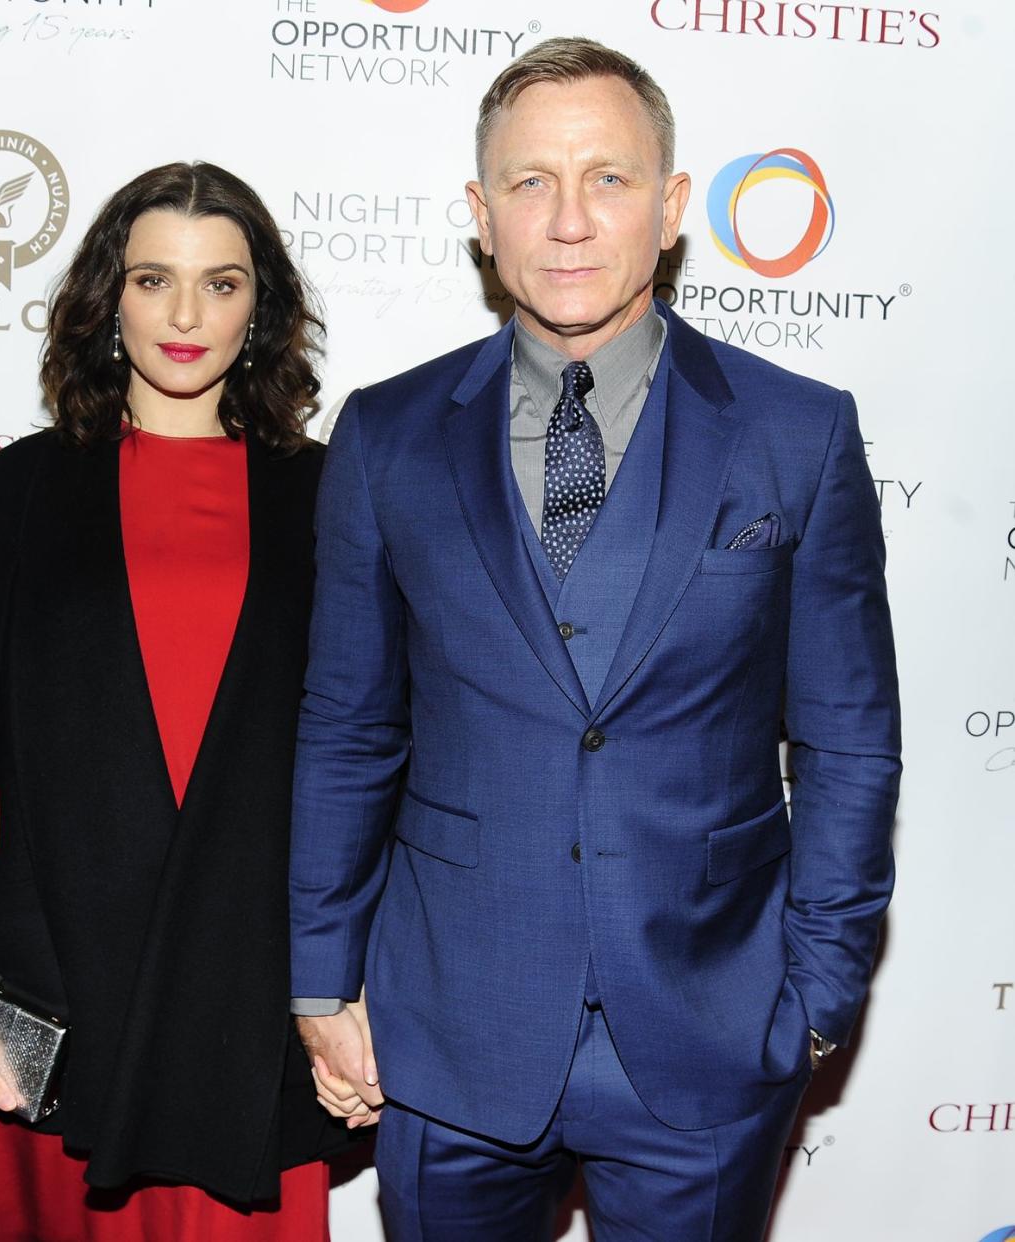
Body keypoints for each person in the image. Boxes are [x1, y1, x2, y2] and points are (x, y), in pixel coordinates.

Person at [289, 37, 900, 1241]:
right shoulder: (386, 436)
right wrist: (320, 977)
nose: (569, 220)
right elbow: (347, 728)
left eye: (609, 179)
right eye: (530, 183)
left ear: (673, 209)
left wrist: (818, 997)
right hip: (450, 1032)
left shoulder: (798, 433)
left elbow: (850, 741)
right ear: (480, 215)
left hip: (710, 1031)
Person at [0, 161, 347, 1241]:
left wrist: (349, 993)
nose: (184, 314)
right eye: (153, 278)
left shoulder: (324, 498)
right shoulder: (21, 492)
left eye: (222, 284)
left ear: (262, 309)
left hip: (241, 1009)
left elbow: (367, 769)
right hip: (51, 1003)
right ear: (107, 297)